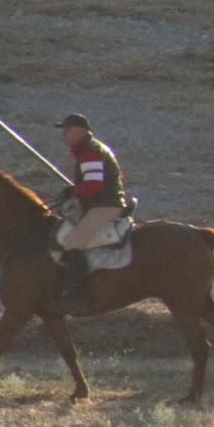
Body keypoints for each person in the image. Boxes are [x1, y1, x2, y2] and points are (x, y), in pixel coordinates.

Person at [54, 113, 129, 315]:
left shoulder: (90, 152)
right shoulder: (91, 149)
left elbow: (94, 185)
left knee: (74, 241)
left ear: (82, 131)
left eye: (69, 130)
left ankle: (76, 297)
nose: (66, 135)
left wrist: (74, 190)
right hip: (99, 202)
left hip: (104, 204)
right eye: (65, 131)